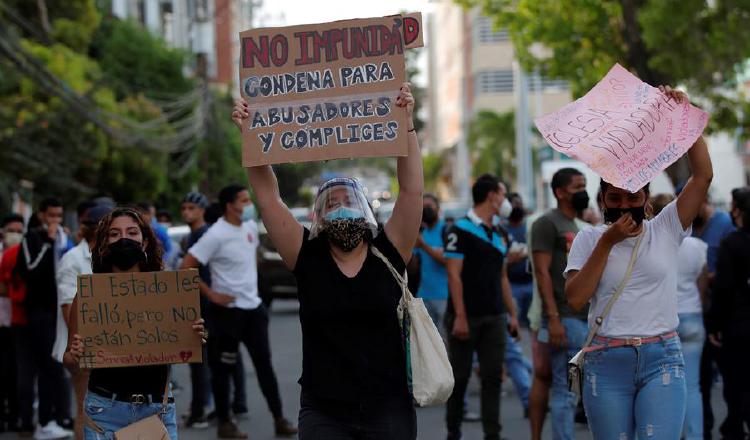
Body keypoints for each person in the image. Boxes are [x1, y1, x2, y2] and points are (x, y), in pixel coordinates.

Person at [231, 83, 421, 439]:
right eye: (330, 203)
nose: (340, 206)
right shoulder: (307, 256)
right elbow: (269, 199)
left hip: (389, 408)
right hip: (325, 412)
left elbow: (411, 190)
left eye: (348, 199)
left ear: (365, 209)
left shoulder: (390, 250)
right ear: (318, 216)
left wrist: (405, 123)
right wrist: (251, 135)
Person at [564, 85, 712, 439]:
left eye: (632, 197)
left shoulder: (665, 228)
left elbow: (702, 176)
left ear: (646, 198)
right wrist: (607, 243)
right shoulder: (588, 239)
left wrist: (685, 115)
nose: (623, 205)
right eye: (615, 197)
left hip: (662, 358)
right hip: (605, 361)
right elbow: (575, 298)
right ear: (603, 199)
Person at [64, 207, 206, 440]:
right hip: (104, 412)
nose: (124, 239)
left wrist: (198, 335)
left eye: (132, 232)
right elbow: (69, 361)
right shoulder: (89, 295)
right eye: (114, 234)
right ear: (103, 243)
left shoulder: (169, 290)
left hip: (156, 412)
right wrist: (76, 355)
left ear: (146, 240)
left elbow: (186, 348)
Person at [181, 185, 296, 439]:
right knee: (223, 370)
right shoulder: (215, 235)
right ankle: (225, 423)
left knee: (264, 366)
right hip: (226, 313)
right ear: (229, 205)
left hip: (254, 310)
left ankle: (279, 419)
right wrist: (211, 294)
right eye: (244, 200)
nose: (249, 204)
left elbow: (250, 259)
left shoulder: (250, 227)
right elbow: (186, 266)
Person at [443, 174, 520, 440]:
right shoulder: (459, 230)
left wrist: (512, 314)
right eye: (503, 193)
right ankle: (453, 432)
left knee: (493, 379)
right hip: (465, 317)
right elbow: (454, 275)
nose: (505, 199)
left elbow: (503, 277)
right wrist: (460, 316)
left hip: (494, 316)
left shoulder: (500, 233)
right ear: (492, 196)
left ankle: (493, 434)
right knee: (460, 378)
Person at [530, 168, 589, 440]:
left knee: (573, 392)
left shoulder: (577, 226)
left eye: (584, 186)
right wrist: (552, 318)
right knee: (565, 392)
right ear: (560, 192)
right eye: (577, 186)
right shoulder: (547, 224)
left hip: (580, 318)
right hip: (563, 318)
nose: (583, 192)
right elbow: (542, 273)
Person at [15, 198, 73, 439]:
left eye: (59, 216)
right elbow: (30, 269)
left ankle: (59, 417)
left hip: (58, 309)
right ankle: (46, 421)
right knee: (48, 367)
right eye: (51, 216)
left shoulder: (62, 239)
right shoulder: (33, 239)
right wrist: (48, 242)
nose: (55, 221)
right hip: (39, 312)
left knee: (58, 365)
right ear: (41, 215)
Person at [652, 193, 709, 440]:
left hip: (664, 319)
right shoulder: (698, 247)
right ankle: (696, 435)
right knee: (693, 386)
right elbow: (702, 285)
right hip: (693, 315)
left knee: (663, 387)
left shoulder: (653, 244)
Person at [54, 203, 111, 440]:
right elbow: (69, 308)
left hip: (110, 348)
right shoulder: (73, 260)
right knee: (86, 414)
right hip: (83, 350)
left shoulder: (113, 257)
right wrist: (82, 349)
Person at [691, 193, 736, 439]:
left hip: (720, 310)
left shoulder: (723, 225)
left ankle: (733, 423)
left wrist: (713, 276)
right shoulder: (689, 228)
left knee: (730, 375)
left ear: (704, 200)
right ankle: (705, 427)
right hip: (700, 311)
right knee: (701, 377)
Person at [709, 189, 750, 439]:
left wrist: (715, 324)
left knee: (738, 384)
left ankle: (734, 426)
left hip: (739, 327)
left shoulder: (732, 244)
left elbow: (724, 288)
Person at [179, 192, 212, 429]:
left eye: (191, 208)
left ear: (201, 210)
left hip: (204, 306)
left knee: (200, 360)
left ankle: (201, 410)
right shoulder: (191, 236)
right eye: (184, 208)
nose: (186, 212)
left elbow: (198, 274)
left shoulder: (204, 235)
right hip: (197, 304)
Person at [0, 214, 23, 433]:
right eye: (11, 230)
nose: (15, 234)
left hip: (14, 322)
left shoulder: (23, 255)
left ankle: (14, 415)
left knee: (14, 372)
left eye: (19, 230)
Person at [414, 193, 449, 333]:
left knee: (444, 343)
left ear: (438, 207)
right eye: (423, 207)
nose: (426, 209)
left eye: (429, 206)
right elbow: (415, 267)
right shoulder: (422, 232)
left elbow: (446, 260)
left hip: (443, 297)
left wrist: (424, 246)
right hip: (424, 296)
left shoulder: (446, 230)